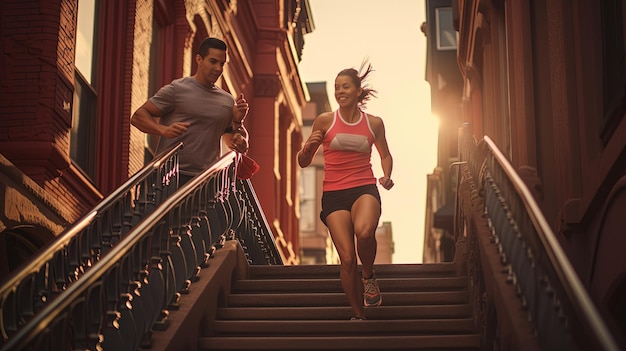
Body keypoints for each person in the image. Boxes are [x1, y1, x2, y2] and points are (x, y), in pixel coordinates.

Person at [297, 63, 394, 320]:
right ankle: (358, 314)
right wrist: (308, 148)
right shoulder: (326, 120)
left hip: (364, 187)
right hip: (334, 193)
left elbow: (385, 154)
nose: (340, 91)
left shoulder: (374, 123)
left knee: (364, 231)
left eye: (345, 87)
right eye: (337, 87)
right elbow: (303, 161)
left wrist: (386, 175)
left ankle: (369, 276)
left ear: (358, 90)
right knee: (348, 258)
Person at [131, 37, 249, 186]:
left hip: (205, 182)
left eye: (222, 64)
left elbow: (232, 140)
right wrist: (163, 130)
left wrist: (239, 123)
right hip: (168, 178)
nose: (218, 69)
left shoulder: (227, 101)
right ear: (199, 59)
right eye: (213, 62)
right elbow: (138, 117)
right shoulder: (177, 89)